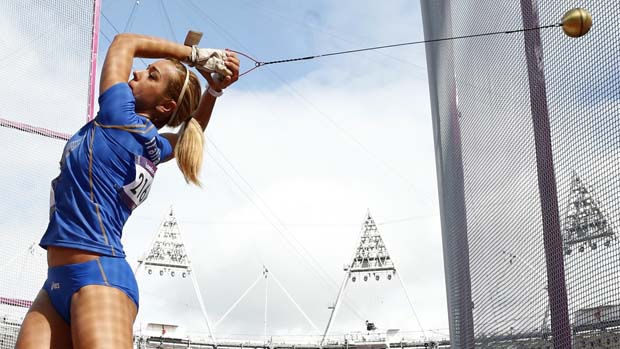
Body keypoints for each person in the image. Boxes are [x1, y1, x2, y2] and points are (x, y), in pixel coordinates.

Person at [15, 33, 240, 348]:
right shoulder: (155, 146)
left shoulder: (119, 117)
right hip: (55, 285)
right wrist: (212, 91)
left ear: (165, 106)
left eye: (152, 75)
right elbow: (192, 134)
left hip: (100, 277)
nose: (136, 72)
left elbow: (124, 43)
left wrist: (195, 55)